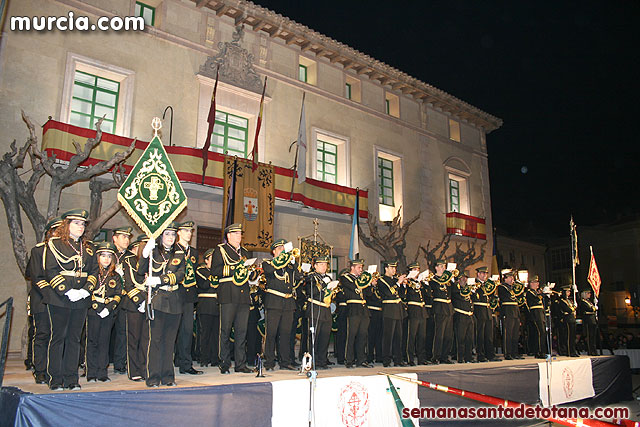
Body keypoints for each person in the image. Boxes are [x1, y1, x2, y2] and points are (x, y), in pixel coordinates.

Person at [44, 209, 97, 391]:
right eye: (76, 223)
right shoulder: (55, 244)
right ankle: (55, 379)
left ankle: (71, 378)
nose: (80, 227)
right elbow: (50, 270)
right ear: (67, 225)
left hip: (81, 299)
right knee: (58, 338)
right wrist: (66, 291)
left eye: (82, 224)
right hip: (60, 298)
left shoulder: (88, 248)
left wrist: (85, 291)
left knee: (74, 339)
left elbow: (94, 272)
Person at [138, 222, 186, 387]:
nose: (171, 238)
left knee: (169, 341)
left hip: (174, 300)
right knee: (155, 340)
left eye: (173, 235)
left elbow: (180, 275)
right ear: (160, 236)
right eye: (167, 234)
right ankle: (153, 377)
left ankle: (168, 377)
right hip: (158, 300)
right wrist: (144, 252)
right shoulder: (153, 252)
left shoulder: (179, 254)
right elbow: (140, 271)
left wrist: (159, 279)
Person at [210, 223, 258, 374]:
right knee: (225, 330)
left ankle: (240, 364)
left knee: (241, 331)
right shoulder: (221, 249)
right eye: (236, 234)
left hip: (243, 295)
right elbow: (215, 270)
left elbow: (249, 275)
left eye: (240, 234)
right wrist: (235, 268)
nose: (239, 236)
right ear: (228, 236)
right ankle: (224, 362)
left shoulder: (245, 252)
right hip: (228, 293)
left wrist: (253, 273)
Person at [27, 216, 62, 384]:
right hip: (42, 300)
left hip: (61, 301)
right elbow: (35, 276)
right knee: (42, 334)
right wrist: (52, 295)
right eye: (56, 232)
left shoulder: (67, 251)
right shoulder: (39, 250)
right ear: (49, 234)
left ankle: (54, 369)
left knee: (58, 336)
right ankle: (40, 369)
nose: (58, 235)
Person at [261, 239, 301, 370]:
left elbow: (298, 278)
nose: (282, 251)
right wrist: (282, 260)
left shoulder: (289, 266)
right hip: (274, 301)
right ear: (273, 252)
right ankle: (269, 362)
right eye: (279, 249)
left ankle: (285, 362)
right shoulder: (267, 263)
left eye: (284, 249)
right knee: (271, 333)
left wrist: (294, 263)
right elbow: (269, 271)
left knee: (285, 334)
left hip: (288, 302)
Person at [86, 242, 122, 382]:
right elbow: (88, 291)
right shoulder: (92, 273)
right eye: (103, 256)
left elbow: (118, 294)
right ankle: (91, 372)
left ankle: (102, 372)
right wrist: (96, 307)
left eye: (109, 256)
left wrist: (109, 308)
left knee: (104, 341)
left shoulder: (115, 276)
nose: (106, 259)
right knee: (92, 341)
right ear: (97, 257)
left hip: (108, 312)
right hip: (93, 311)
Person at [174, 221, 203, 375]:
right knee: (172, 331)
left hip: (189, 296)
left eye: (190, 231)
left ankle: (186, 364)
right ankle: (170, 361)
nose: (188, 234)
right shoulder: (173, 249)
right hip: (175, 295)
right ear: (178, 233)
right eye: (185, 231)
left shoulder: (193, 252)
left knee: (186, 331)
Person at [121, 234, 148, 381]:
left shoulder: (153, 261)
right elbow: (128, 283)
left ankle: (144, 368)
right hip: (134, 304)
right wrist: (140, 301)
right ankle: (133, 370)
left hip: (149, 303)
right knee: (133, 339)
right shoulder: (129, 261)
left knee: (146, 339)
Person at [303, 256, 336, 369]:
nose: (324, 267)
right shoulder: (311, 277)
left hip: (326, 310)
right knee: (314, 338)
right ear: (315, 266)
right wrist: (323, 285)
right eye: (321, 264)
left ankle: (322, 361)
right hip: (315, 308)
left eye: (325, 264)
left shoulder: (328, 277)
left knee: (325, 337)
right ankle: (312, 361)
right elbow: (310, 292)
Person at [110, 226, 133, 375]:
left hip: (124, 299)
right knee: (101, 333)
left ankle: (120, 363)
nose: (126, 240)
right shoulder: (108, 253)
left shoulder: (130, 257)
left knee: (122, 332)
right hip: (106, 299)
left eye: (128, 237)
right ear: (115, 238)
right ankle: (95, 364)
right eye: (123, 237)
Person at [340, 259, 371, 368]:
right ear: (352, 267)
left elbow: (368, 294)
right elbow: (353, 287)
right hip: (353, 308)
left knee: (363, 335)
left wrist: (370, 284)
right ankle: (349, 359)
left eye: (362, 267)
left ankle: (361, 359)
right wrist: (363, 281)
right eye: (359, 267)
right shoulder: (345, 277)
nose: (361, 270)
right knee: (351, 335)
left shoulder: (361, 280)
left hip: (363, 309)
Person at [378, 261, 406, 367]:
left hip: (398, 309)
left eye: (395, 268)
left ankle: (398, 359)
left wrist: (403, 285)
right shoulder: (382, 280)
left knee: (399, 336)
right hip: (389, 310)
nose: (394, 270)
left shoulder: (395, 280)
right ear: (386, 268)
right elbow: (388, 293)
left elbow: (402, 295)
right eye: (392, 268)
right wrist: (398, 283)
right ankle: (386, 359)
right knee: (388, 336)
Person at [196, 248, 220, 368]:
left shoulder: (218, 271)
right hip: (206, 305)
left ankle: (214, 358)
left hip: (217, 305)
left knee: (216, 334)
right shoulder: (201, 270)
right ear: (206, 260)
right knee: (205, 333)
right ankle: (204, 358)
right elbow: (205, 284)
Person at [429, 260, 455, 364]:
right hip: (439, 307)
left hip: (448, 308)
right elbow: (434, 289)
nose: (443, 268)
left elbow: (454, 291)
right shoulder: (433, 279)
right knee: (439, 334)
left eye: (444, 266)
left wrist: (452, 279)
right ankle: (436, 356)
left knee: (448, 334)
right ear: (436, 268)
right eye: (441, 266)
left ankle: (445, 356)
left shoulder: (448, 280)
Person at [472, 266, 499, 362]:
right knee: (480, 334)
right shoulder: (474, 284)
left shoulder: (488, 285)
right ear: (478, 274)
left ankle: (490, 354)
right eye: (483, 273)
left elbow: (491, 296)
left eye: (486, 273)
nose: (484, 275)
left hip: (487, 311)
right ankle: (480, 355)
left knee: (489, 334)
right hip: (479, 310)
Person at [404, 262, 428, 366]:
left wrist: (425, 284)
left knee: (422, 336)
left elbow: (428, 294)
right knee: (411, 336)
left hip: (422, 311)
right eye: (415, 270)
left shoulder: (420, 282)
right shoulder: (408, 283)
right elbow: (407, 295)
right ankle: (410, 358)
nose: (417, 272)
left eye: (418, 270)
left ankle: (421, 358)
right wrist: (408, 283)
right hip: (413, 311)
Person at [498, 271, 523, 360]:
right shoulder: (501, 287)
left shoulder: (513, 288)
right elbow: (507, 296)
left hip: (515, 311)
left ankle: (514, 352)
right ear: (505, 279)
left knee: (515, 334)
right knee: (508, 333)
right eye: (510, 277)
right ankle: (507, 353)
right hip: (508, 311)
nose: (512, 279)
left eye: (512, 277)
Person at [452, 271, 474, 363]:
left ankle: (468, 357)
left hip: (469, 315)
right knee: (460, 338)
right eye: (461, 278)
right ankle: (460, 357)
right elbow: (459, 296)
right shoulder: (456, 290)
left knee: (469, 338)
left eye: (465, 278)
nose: (464, 280)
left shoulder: (468, 290)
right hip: (461, 315)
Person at [525, 276, 547, 359]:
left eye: (537, 282)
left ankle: (542, 351)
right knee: (539, 332)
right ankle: (539, 351)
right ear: (531, 284)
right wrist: (542, 294)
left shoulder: (536, 292)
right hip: (535, 313)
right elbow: (536, 300)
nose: (537, 284)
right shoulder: (530, 292)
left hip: (540, 313)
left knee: (542, 332)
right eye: (535, 282)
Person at [555, 286, 578, 357]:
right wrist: (573, 308)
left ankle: (573, 350)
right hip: (567, 319)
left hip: (572, 319)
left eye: (569, 291)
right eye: (567, 291)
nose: (569, 293)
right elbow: (568, 309)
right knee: (568, 336)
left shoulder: (570, 300)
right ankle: (568, 351)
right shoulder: (562, 301)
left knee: (573, 336)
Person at [579, 289, 598, 356]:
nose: (590, 294)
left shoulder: (589, 302)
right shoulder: (583, 302)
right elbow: (590, 309)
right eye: (588, 293)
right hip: (588, 321)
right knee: (589, 336)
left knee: (593, 337)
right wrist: (594, 308)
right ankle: (590, 351)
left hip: (592, 320)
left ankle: (594, 350)